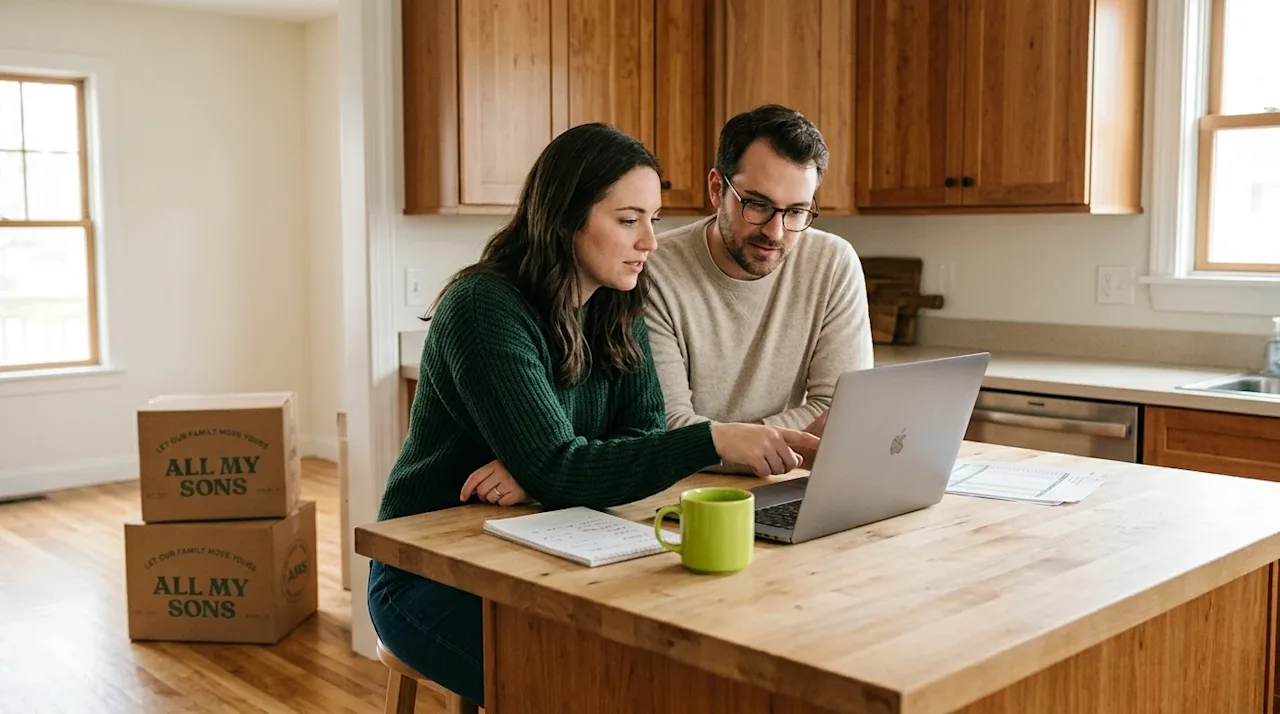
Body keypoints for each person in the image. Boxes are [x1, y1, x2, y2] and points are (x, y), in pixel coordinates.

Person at [366, 122, 820, 709]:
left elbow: (635, 436)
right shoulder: (483, 309)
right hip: (433, 574)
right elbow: (568, 465)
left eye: (653, 220)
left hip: (543, 551)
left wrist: (546, 469)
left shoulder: (617, 303)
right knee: (596, 685)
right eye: (629, 220)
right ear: (564, 217)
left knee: (664, 667)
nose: (650, 242)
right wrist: (709, 441)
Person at [643, 104, 874, 468]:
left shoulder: (832, 263)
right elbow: (668, 428)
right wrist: (771, 444)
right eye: (757, 205)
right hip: (686, 491)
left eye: (797, 211)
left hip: (784, 481)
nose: (775, 232)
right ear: (717, 189)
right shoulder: (654, 273)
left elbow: (840, 412)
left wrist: (731, 443)